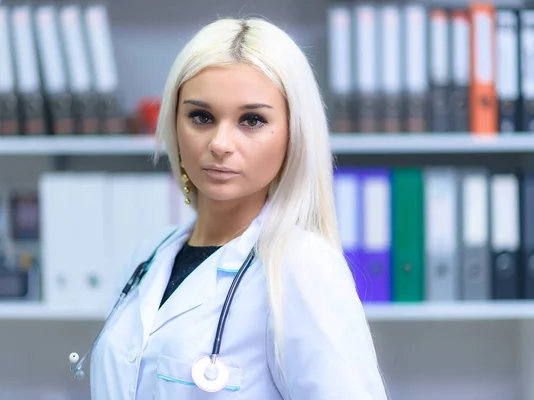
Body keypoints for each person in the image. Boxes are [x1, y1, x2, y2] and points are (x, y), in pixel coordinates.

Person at [90, 16, 388, 400]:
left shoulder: (302, 266)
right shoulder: (147, 257)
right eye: (201, 116)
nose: (220, 143)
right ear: (174, 123)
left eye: (252, 120)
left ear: (294, 134)